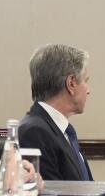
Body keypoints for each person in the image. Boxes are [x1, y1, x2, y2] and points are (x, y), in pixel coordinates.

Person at [17, 43, 94, 181]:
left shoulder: (63, 131)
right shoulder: (34, 132)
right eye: (86, 81)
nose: (88, 91)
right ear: (71, 84)